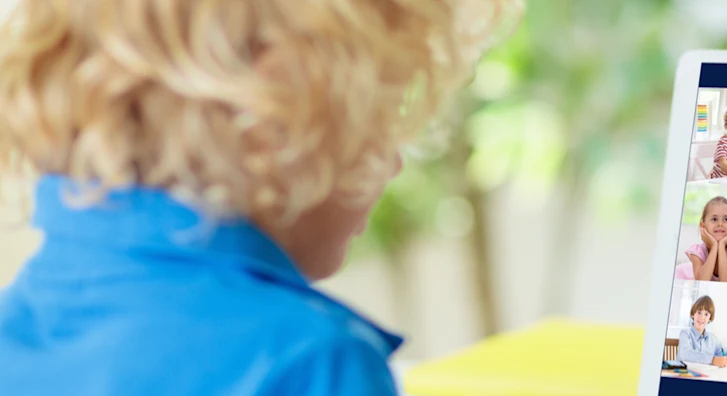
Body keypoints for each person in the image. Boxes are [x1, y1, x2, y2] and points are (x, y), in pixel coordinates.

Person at [0, 0, 512, 394]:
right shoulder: (311, 361)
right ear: (276, 120)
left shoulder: (14, 328)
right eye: (379, 125)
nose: (394, 162)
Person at [676, 196, 727, 283]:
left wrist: (721, 245)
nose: (720, 224)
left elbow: (726, 281)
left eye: (726, 219)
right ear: (703, 225)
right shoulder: (697, 251)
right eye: (714, 219)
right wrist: (714, 246)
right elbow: (702, 280)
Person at [676, 296, 727, 367]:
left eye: (706, 314)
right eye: (699, 312)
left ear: (710, 319)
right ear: (693, 314)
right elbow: (685, 354)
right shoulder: (685, 334)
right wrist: (713, 360)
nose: (702, 317)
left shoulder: (713, 339)